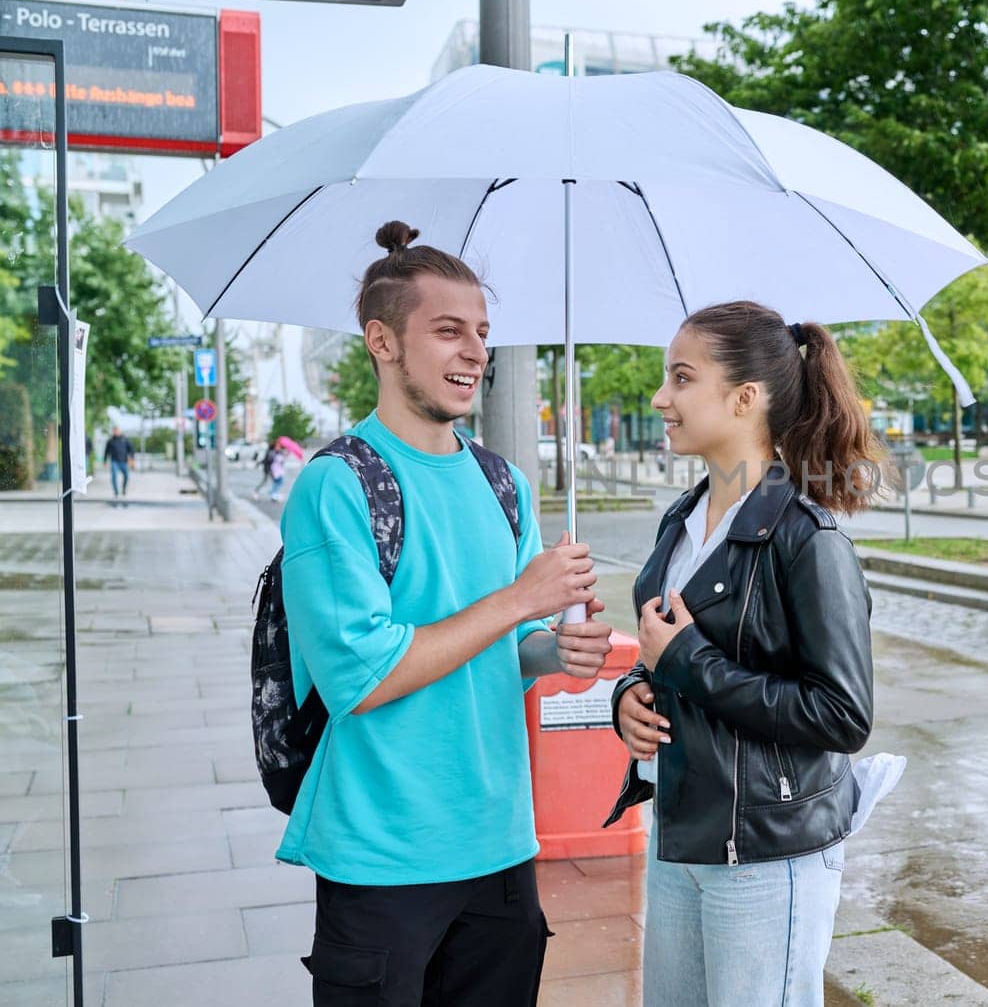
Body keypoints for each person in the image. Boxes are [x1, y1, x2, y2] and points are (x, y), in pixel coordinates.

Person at [279, 220, 612, 1006]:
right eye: (448, 330)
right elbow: (362, 675)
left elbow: (517, 645)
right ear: (383, 342)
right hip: (383, 859)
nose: (475, 352)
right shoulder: (339, 484)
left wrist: (558, 649)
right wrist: (518, 598)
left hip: (500, 849)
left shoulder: (505, 485)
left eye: (484, 334)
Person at [604, 300, 881, 1006]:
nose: (661, 398)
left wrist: (685, 662)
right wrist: (631, 697)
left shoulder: (807, 538)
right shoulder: (682, 519)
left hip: (768, 852)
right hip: (680, 832)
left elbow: (842, 714)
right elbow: (665, 650)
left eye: (682, 378)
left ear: (745, 398)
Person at [102, 426, 134, 498]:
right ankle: (116, 492)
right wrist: (105, 461)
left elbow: (131, 450)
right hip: (114, 462)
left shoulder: (125, 439)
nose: (116, 432)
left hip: (124, 461)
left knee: (126, 476)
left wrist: (131, 459)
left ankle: (124, 489)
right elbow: (106, 452)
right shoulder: (110, 441)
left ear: (120, 431)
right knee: (114, 476)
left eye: (117, 430)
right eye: (115, 430)